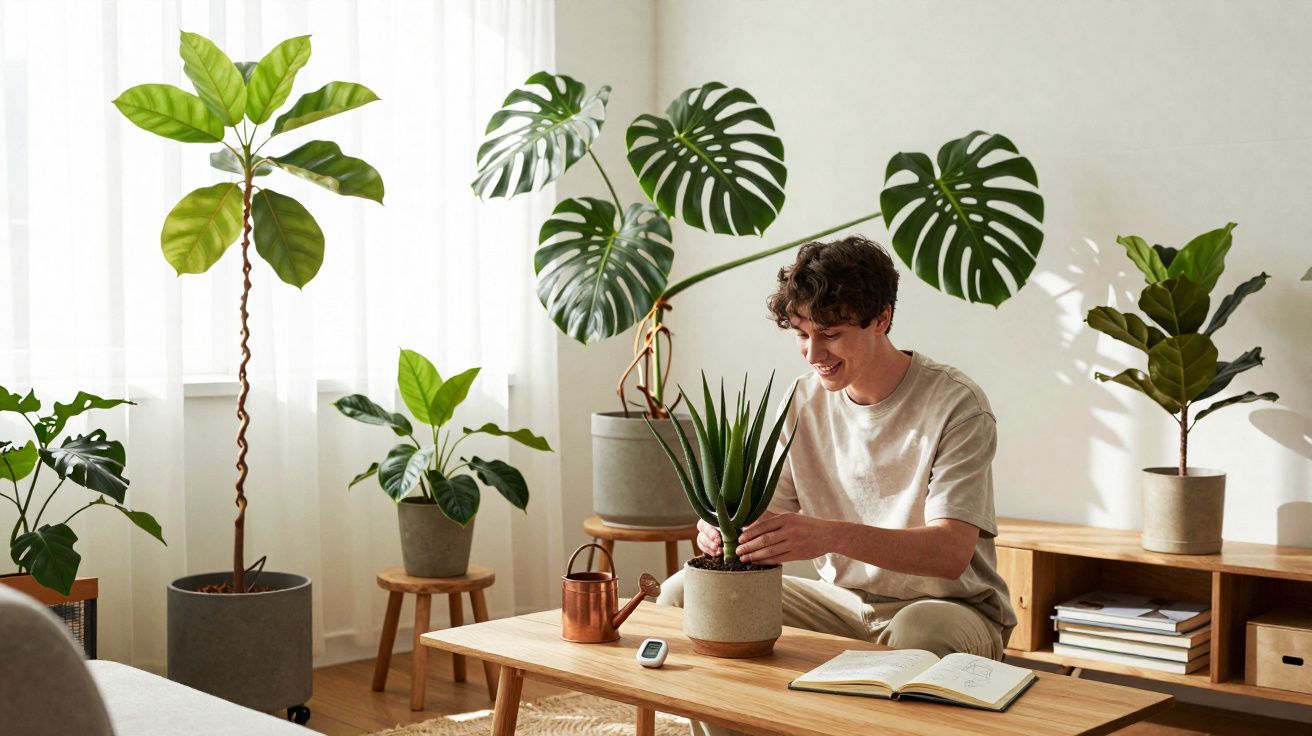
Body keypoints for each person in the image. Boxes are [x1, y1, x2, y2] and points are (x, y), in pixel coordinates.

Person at [657, 235, 1015, 727]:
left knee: (921, 627)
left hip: (950, 607)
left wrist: (828, 535)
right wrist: (723, 529)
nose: (812, 353)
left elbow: (950, 555)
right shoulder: (801, 400)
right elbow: (769, 516)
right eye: (802, 334)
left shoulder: (956, 405)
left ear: (881, 319)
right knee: (690, 594)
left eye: (829, 334)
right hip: (842, 604)